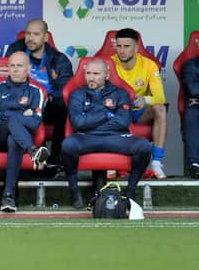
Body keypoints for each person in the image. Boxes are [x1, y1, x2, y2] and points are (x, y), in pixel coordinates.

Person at [62, 58, 151, 205]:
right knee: (67, 145)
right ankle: (74, 190)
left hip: (116, 137)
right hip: (86, 137)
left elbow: (123, 122)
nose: (91, 77)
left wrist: (89, 121)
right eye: (88, 73)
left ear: (107, 75)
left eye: (96, 74)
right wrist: (107, 115)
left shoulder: (120, 93)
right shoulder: (77, 94)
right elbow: (77, 123)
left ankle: (130, 190)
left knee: (144, 146)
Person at [0, 51, 50, 213]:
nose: (14, 69)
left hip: (19, 139)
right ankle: (33, 150)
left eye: (19, 66)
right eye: (11, 65)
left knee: (14, 138)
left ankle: (8, 195)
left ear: (28, 69)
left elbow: (34, 123)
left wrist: (4, 115)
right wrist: (17, 117)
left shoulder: (36, 91)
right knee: (13, 121)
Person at [5, 19, 72, 167]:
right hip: (21, 102)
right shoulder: (15, 51)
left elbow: (66, 87)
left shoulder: (59, 59)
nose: (30, 38)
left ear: (46, 37)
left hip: (48, 105)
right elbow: (4, 78)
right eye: (28, 33)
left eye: (36, 34)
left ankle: (55, 159)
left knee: (63, 105)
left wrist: (50, 97)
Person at [111, 28, 167, 178]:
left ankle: (156, 163)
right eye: (119, 46)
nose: (121, 50)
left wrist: (145, 99)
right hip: (117, 112)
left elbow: (160, 97)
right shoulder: (109, 64)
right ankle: (111, 164)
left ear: (136, 48)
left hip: (139, 112)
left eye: (126, 46)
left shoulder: (149, 65)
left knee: (160, 109)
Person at [181, 52, 199, 178]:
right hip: (196, 105)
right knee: (192, 112)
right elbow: (193, 90)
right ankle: (195, 164)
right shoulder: (191, 65)